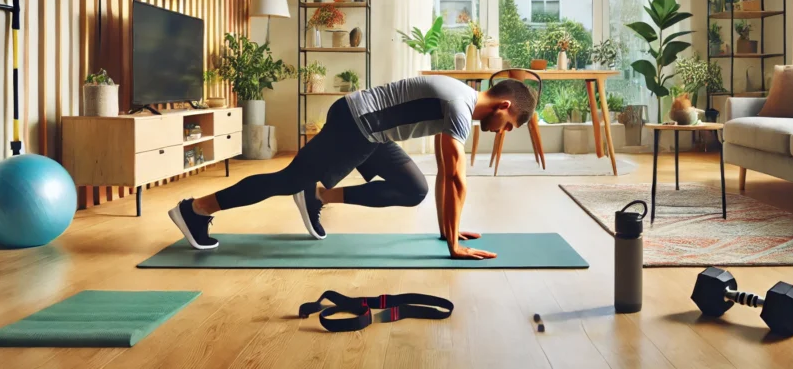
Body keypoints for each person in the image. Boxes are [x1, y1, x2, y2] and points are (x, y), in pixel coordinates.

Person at [168, 75, 536, 260]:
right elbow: (457, 177)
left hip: (373, 132)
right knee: (288, 178)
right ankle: (196, 209)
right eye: (509, 125)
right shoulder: (459, 104)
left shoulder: (459, 103)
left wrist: (448, 233)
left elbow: (443, 172)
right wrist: (455, 246)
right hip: (356, 123)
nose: (502, 132)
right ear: (503, 105)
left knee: (413, 188)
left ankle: (316, 195)